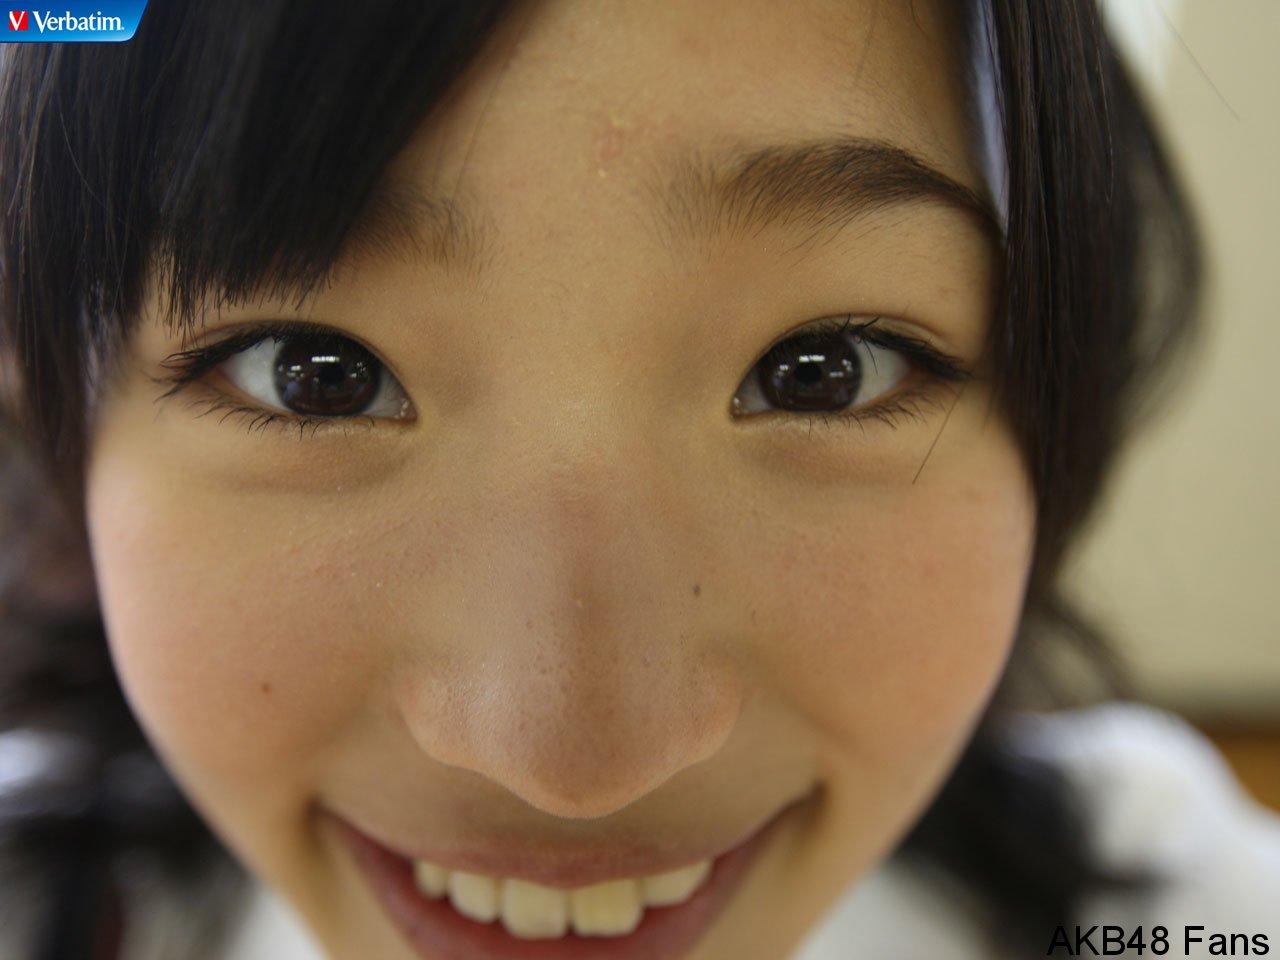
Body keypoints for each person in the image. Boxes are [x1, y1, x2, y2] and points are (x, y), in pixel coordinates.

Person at [0, 1, 1275, 959]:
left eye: (822, 374)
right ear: (56, 419)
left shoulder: (1154, 905)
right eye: (314, 376)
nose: (574, 765)